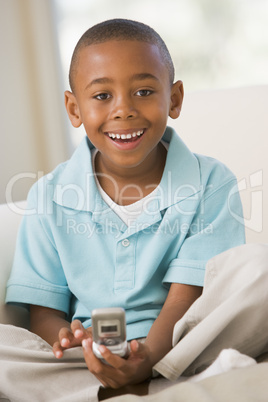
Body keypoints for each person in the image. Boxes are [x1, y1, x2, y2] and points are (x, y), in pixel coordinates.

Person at [5, 19, 245, 391]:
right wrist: (71, 340)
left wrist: (148, 356)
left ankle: (146, 379)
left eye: (144, 91)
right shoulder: (49, 195)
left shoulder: (211, 181)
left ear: (175, 98)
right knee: (7, 348)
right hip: (85, 358)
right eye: (102, 96)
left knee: (258, 274)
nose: (123, 110)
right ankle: (110, 383)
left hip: (185, 341)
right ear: (74, 108)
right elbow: (44, 312)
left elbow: (190, 296)